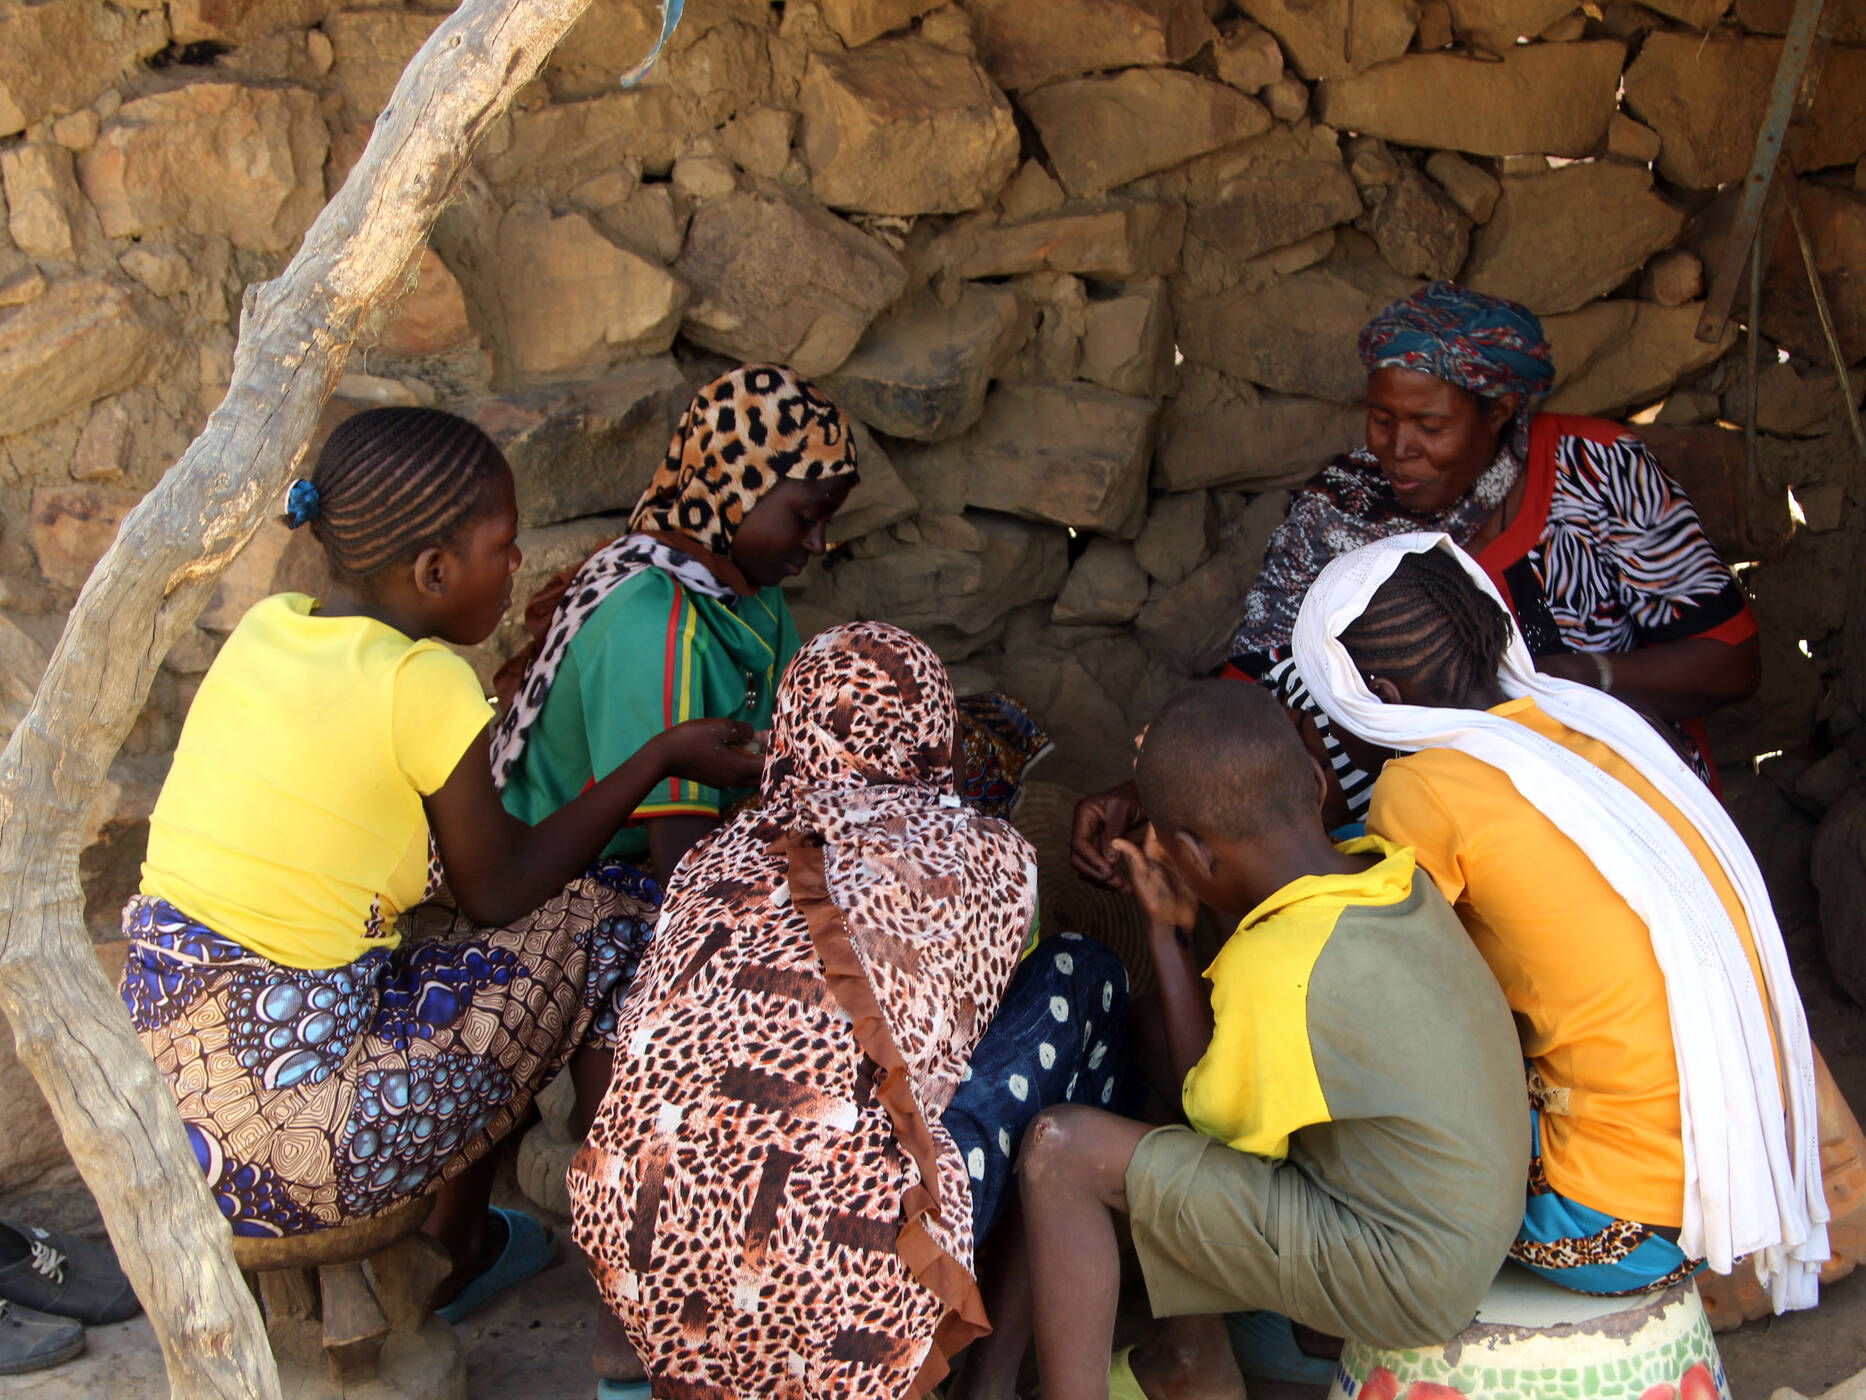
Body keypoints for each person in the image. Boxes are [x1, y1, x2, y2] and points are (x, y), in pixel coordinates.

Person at [119, 407, 760, 1320]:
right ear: (432, 572)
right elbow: (498, 890)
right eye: (502, 549)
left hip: (154, 1115)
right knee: (616, 917)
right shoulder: (423, 684)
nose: (516, 567)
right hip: (289, 1150)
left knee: (467, 947)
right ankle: (648, 1292)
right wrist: (655, 760)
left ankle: (467, 1244)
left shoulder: (267, 630)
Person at [1291, 533, 1827, 1307]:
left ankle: (1318, 1328)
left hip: (1619, 1223)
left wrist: (1309, 823)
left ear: (1376, 690)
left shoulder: (1426, 787)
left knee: (1353, 1105)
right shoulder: (1596, 727)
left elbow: (1363, 967)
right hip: (1739, 1176)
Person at [1072, 280, 1759, 876]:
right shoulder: (1341, 506)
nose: (1397, 450)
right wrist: (1150, 790)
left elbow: (1732, 664)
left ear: (1498, 413)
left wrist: (1561, 682)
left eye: (1430, 424)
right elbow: (1253, 685)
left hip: (1623, 810)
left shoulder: (1602, 473)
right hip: (1424, 845)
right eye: (1382, 418)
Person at [1019, 680, 1529, 1400]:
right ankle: (1194, 1366)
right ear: (1316, 783)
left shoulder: (1282, 966)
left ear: (1191, 852)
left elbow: (1213, 1130)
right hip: (1459, 1225)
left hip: (1407, 1277)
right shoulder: (1383, 869)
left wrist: (1165, 935)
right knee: (1152, 1037)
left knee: (1061, 1151)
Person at [570, 622, 1040, 1399]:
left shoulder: (710, 857)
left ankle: (701, 1355)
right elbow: (965, 1027)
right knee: (1075, 987)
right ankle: (990, 1369)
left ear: (789, 730)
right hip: (835, 1280)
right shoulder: (989, 856)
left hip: (633, 1239)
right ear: (936, 737)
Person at [493, 363, 860, 883]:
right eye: (805, 518)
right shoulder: (653, 622)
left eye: (828, 521)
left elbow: (792, 730)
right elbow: (682, 874)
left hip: (692, 829)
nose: (818, 543)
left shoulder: (743, 585)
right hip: (579, 866)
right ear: (735, 491)